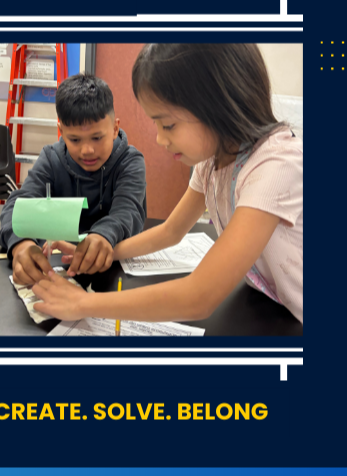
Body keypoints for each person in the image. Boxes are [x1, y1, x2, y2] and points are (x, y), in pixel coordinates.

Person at [32, 44, 303, 323]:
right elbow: (171, 231)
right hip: (275, 306)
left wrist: (83, 303)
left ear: (219, 105)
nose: (160, 139)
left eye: (168, 125)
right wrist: (105, 252)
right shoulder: (212, 162)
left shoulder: (276, 165)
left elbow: (199, 297)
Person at [0, 74, 147, 285]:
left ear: (115, 129)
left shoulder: (130, 162)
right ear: (61, 132)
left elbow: (127, 212)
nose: (87, 150)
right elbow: (18, 206)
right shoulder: (51, 159)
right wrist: (21, 244)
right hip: (60, 267)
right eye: (75, 139)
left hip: (115, 270)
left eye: (97, 137)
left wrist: (103, 236)